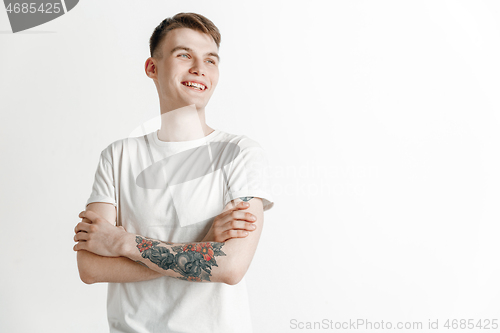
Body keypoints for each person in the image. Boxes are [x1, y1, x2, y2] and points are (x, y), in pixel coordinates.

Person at [73, 12, 274, 333]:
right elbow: (91, 267)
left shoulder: (240, 153)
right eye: (184, 55)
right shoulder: (118, 155)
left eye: (211, 60)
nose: (199, 69)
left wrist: (125, 244)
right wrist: (205, 244)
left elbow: (232, 266)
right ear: (152, 67)